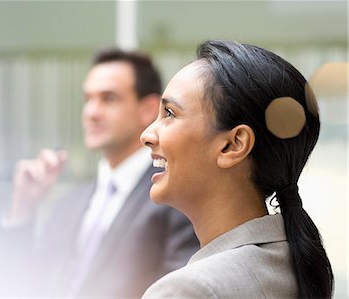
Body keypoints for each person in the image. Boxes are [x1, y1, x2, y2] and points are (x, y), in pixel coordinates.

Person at [0, 48, 199, 298]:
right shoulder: (68, 203)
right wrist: (23, 206)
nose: (91, 112)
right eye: (88, 99)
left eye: (109, 98)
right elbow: (16, 283)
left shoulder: (176, 199)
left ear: (148, 109)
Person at [140, 40, 333, 298]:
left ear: (233, 145)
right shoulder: (293, 266)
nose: (146, 135)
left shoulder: (190, 290)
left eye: (170, 114)